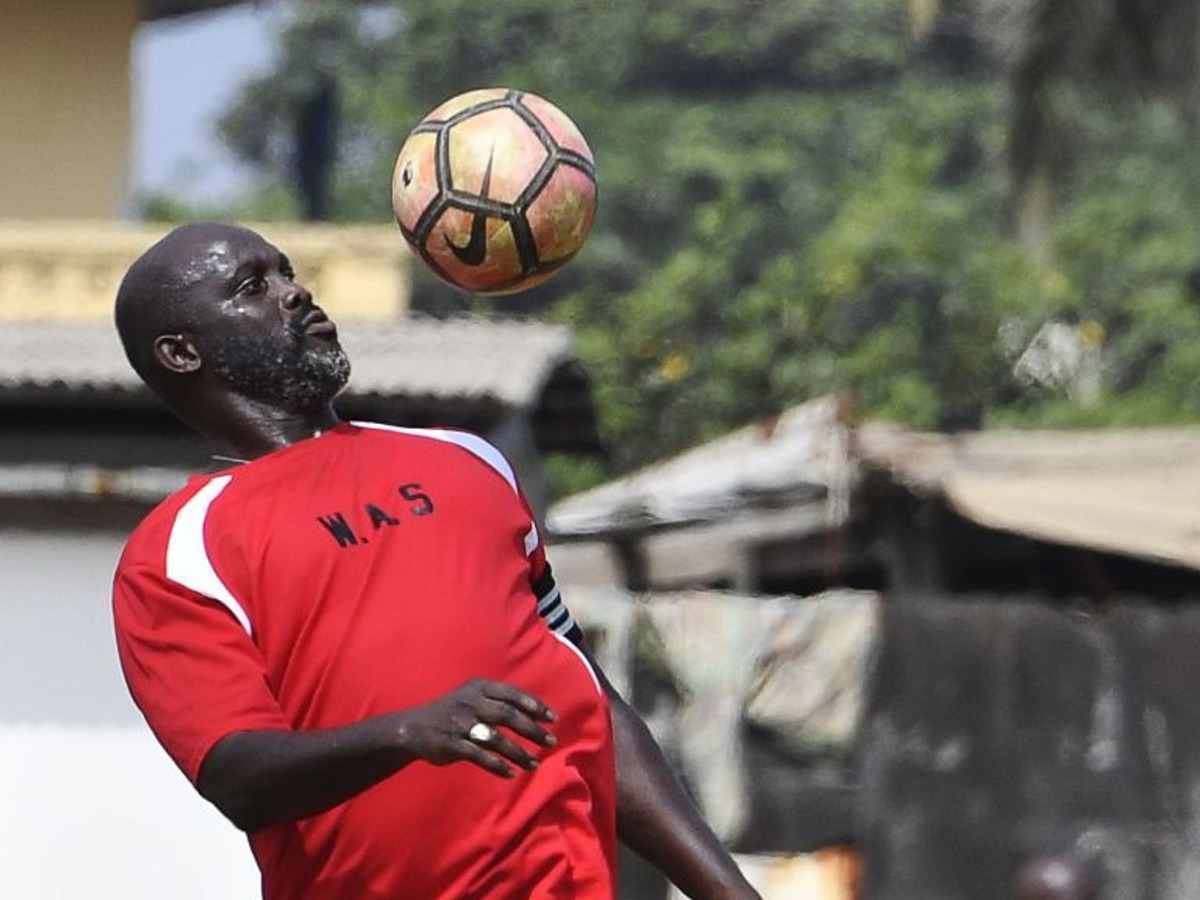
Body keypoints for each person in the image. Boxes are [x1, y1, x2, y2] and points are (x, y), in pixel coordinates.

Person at [111, 222, 761, 900]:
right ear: (182, 353)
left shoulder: (467, 460)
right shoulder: (179, 551)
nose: (295, 293)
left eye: (287, 271)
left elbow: (587, 699)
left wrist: (727, 892)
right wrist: (402, 733)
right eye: (253, 287)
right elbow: (237, 776)